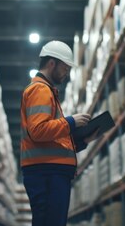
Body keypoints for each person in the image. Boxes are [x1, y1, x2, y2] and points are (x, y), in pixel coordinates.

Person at [20, 40, 99, 226]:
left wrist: (81, 142)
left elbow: (52, 139)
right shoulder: (40, 90)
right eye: (65, 68)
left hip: (50, 172)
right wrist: (71, 122)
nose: (67, 73)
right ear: (52, 63)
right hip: (46, 174)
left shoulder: (47, 91)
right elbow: (38, 131)